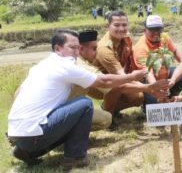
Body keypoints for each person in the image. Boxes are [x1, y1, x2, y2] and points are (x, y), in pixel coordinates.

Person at [7, 29, 146, 168]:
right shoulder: (65, 65)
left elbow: (19, 92)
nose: (76, 52)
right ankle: (75, 157)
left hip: (19, 134)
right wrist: (133, 77)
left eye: (78, 48)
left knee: (69, 116)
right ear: (57, 48)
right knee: (84, 105)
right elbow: (104, 82)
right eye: (72, 48)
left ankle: (26, 152)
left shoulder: (41, 65)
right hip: (34, 135)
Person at [93, 10, 169, 126]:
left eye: (124, 25)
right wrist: (151, 89)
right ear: (108, 26)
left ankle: (111, 106)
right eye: (117, 25)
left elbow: (128, 61)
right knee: (117, 86)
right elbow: (121, 79)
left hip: (115, 78)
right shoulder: (104, 49)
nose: (121, 28)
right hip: (97, 84)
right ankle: (108, 116)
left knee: (138, 97)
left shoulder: (126, 38)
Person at [132, 15, 182, 113]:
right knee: (155, 110)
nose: (156, 33)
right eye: (152, 30)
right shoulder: (140, 48)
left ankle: (170, 96)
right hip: (147, 81)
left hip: (163, 74)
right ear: (145, 30)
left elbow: (175, 51)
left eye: (158, 29)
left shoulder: (164, 38)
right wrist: (156, 90)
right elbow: (148, 73)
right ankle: (147, 105)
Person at [68, 30, 112, 131]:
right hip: (62, 113)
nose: (97, 53)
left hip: (62, 109)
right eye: (94, 49)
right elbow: (108, 84)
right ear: (82, 49)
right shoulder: (81, 66)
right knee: (106, 119)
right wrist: (146, 87)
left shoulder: (72, 61)